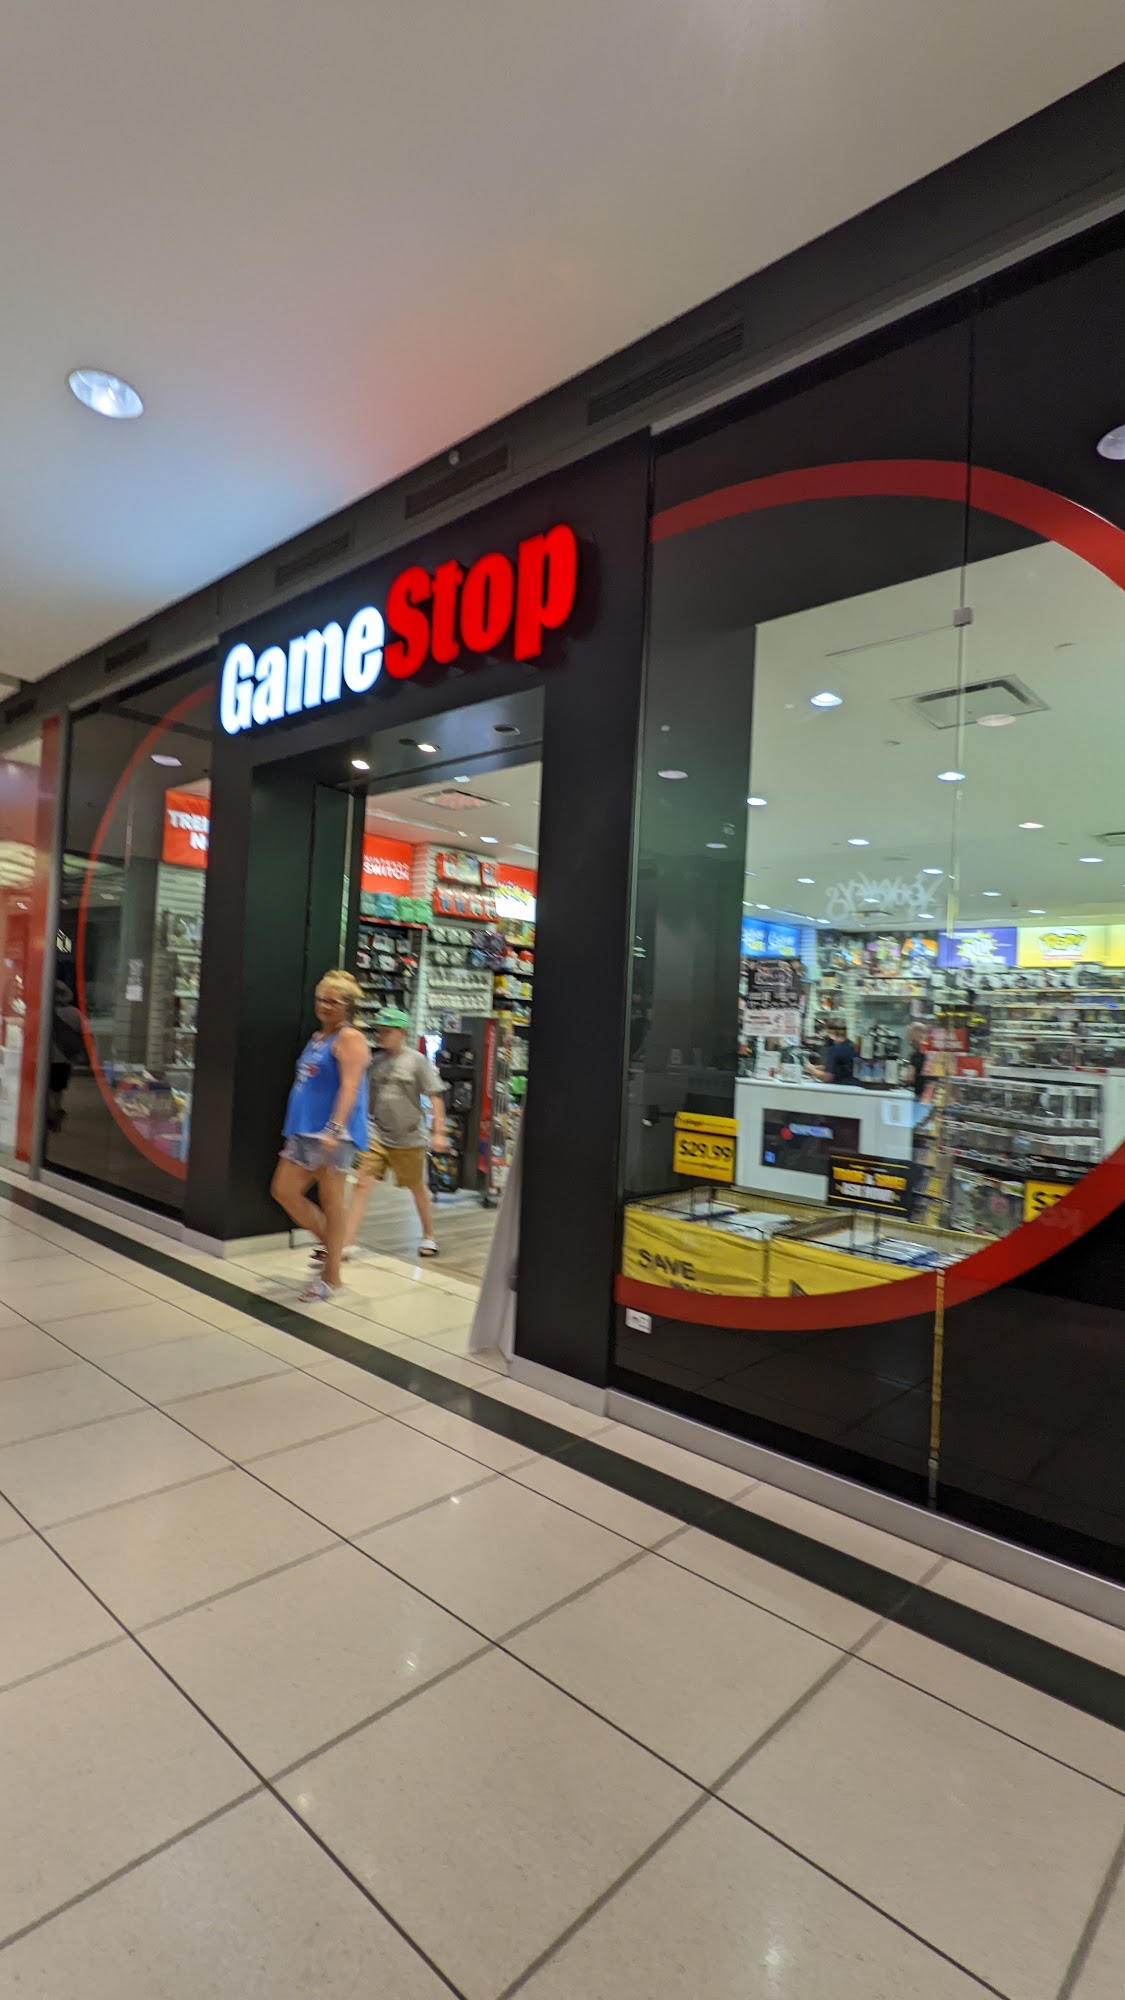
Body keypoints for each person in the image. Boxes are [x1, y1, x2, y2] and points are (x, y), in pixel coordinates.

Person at [271, 970, 369, 1302]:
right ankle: (335, 1246)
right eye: (321, 999)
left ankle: (332, 1277)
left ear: (347, 1006)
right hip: (304, 1131)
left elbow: (351, 1087)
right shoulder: (318, 1038)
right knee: (284, 1190)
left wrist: (335, 1129)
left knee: (332, 1201)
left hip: (332, 1135)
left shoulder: (350, 1038)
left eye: (332, 1001)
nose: (324, 1005)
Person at [344, 1006, 449, 1260]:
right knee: (361, 1183)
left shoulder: (417, 1061)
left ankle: (429, 1234)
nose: (380, 1035)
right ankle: (346, 1242)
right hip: (376, 1133)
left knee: (417, 1187)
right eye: (378, 1031)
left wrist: (439, 1131)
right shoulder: (374, 1062)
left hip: (409, 1137)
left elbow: (435, 1096)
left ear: (402, 1032)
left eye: (386, 1031)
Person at [46, 980, 84, 1133]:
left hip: (47, 1057)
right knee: (58, 1089)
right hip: (65, 1058)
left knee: (47, 1088)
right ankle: (56, 1110)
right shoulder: (75, 1013)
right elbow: (82, 1033)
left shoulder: (45, 1012)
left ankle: (50, 1114)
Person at [805, 1018, 856, 1084]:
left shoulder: (834, 1050)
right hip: (854, 1086)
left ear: (831, 1032)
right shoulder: (851, 1046)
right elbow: (839, 1068)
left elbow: (827, 1078)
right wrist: (817, 1067)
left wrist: (811, 1069)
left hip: (839, 1087)